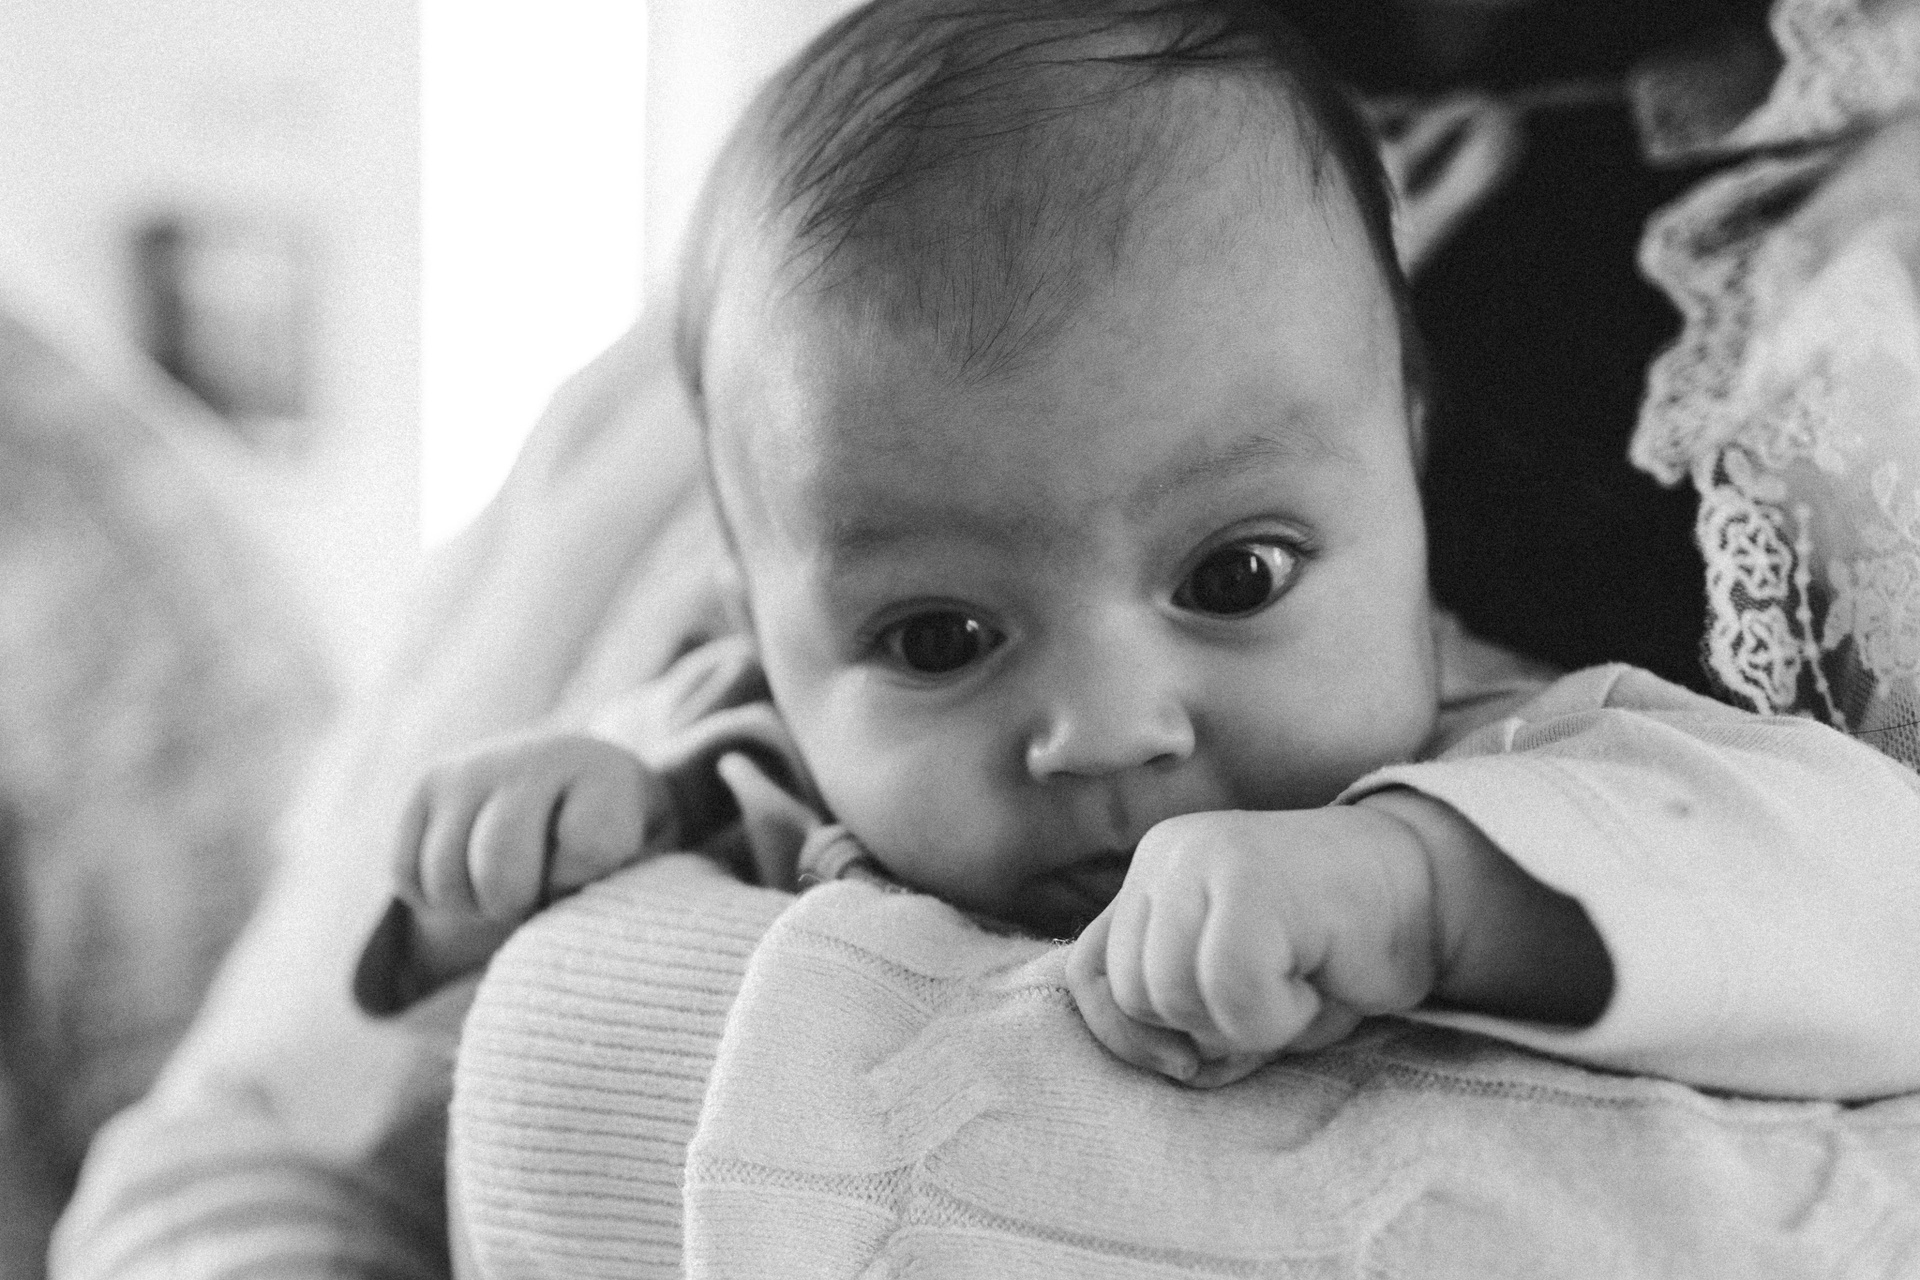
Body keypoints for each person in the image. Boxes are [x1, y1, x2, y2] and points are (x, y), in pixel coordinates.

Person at [376, 0, 1920, 1100]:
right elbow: (416, 1057)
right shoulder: (761, 776)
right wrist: (551, 831)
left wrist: (1426, 896)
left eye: (1235, 577)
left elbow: (1877, 913)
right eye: (938, 640)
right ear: (756, 620)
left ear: (1410, 463)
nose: (1109, 731)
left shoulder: (1540, 765)